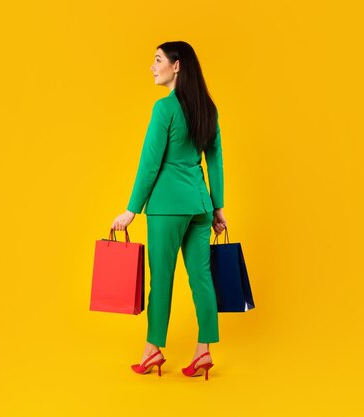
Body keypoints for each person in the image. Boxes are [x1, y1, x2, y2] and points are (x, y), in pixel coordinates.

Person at [111, 41, 227, 380]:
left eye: (158, 60)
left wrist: (132, 210)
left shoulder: (164, 109)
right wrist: (218, 207)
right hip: (200, 206)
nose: (152, 66)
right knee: (201, 279)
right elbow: (215, 160)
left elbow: (150, 163)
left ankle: (152, 351)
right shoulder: (208, 109)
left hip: (166, 207)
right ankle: (203, 352)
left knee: (161, 279)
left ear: (177, 66)